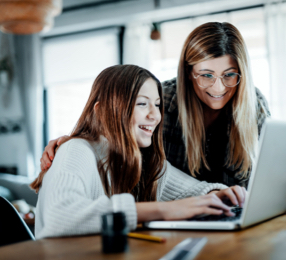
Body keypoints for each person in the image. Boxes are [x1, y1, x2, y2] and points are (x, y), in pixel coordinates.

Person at [41, 22, 270, 188]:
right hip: (172, 221)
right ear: (188, 73)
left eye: (229, 75)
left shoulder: (255, 104)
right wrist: (80, 142)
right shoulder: (163, 103)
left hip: (233, 214)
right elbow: (117, 138)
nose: (219, 88)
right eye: (207, 75)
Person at [31, 65, 245, 239]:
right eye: (143, 104)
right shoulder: (75, 150)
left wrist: (221, 195)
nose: (156, 116)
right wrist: (165, 210)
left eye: (157, 105)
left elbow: (195, 192)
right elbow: (59, 216)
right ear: (103, 111)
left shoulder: (145, 161)